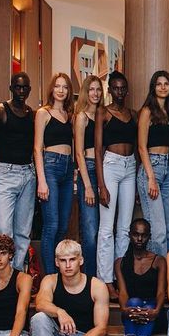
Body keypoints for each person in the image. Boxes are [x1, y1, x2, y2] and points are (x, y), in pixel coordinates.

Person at [0, 71, 37, 270]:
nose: (21, 91)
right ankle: (3, 274)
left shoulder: (32, 114)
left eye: (25, 87)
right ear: (11, 88)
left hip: (28, 174)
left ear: (29, 90)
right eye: (17, 87)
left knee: (23, 232)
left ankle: (17, 273)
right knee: (4, 230)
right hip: (5, 173)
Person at [113, 218, 166, 336]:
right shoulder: (120, 263)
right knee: (133, 301)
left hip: (153, 313)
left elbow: (161, 292)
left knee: (147, 305)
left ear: (149, 237)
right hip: (132, 311)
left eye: (143, 235)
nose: (139, 239)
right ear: (130, 235)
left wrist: (156, 310)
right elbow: (123, 293)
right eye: (136, 234)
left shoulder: (158, 261)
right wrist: (124, 309)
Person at [95, 70, 138, 283]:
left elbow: (138, 147)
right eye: (115, 88)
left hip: (130, 168)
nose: (119, 92)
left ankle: (119, 277)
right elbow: (97, 150)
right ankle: (105, 280)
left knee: (124, 228)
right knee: (106, 228)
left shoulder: (134, 114)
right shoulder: (103, 112)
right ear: (110, 90)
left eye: (122, 88)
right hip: (110, 166)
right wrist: (101, 185)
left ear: (127, 90)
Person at [35, 72, 76, 275]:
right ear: (52, 89)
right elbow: (37, 148)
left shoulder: (70, 115)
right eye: (57, 86)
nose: (61, 90)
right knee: (51, 225)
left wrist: (74, 170)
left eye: (65, 87)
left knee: (63, 225)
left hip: (68, 169)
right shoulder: (43, 113)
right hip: (50, 167)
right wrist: (41, 181)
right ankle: (50, 276)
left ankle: (61, 273)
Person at [137, 71, 169, 256]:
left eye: (166, 84)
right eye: (159, 84)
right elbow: (141, 147)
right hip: (151, 168)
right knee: (158, 230)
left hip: (168, 168)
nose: (163, 87)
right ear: (153, 88)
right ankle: (157, 271)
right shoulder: (147, 112)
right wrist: (151, 178)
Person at [73, 74, 103, 276]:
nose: (95, 93)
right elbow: (78, 153)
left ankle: (103, 276)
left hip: (105, 170)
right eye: (91, 89)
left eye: (98, 89)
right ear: (85, 92)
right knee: (90, 231)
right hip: (89, 171)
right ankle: (90, 278)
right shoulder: (82, 117)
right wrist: (88, 186)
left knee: (103, 230)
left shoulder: (103, 115)